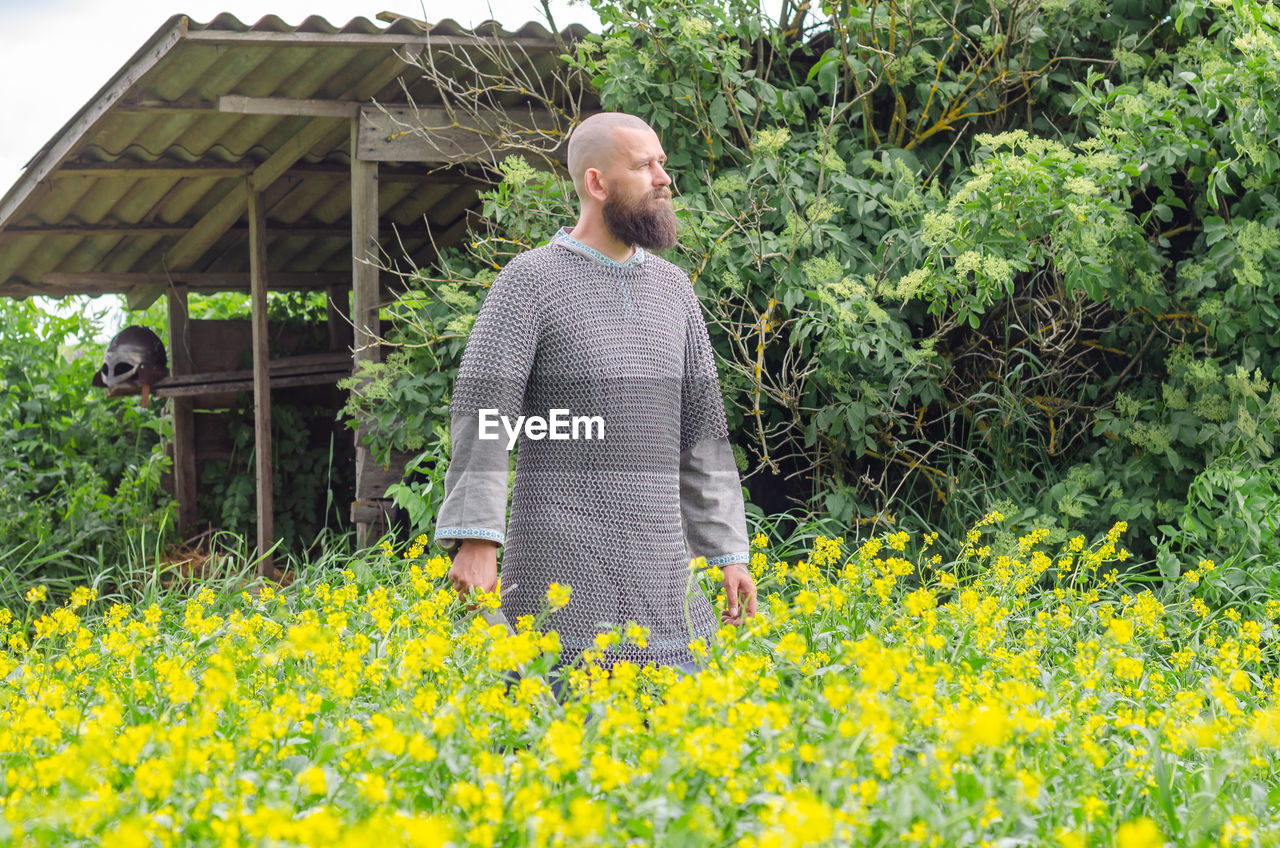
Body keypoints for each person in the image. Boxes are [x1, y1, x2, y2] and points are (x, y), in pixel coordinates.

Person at [432, 112, 757, 694]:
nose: (663, 179)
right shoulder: (530, 281)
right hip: (559, 581)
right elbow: (486, 413)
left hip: (663, 590)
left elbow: (702, 434)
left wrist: (728, 551)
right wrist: (477, 538)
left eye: (661, 163)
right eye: (644, 166)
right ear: (597, 183)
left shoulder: (674, 290)